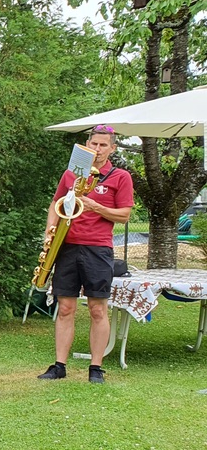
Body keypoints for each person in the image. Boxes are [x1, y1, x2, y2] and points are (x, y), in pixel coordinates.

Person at [38, 124, 134, 384]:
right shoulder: (72, 173)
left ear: (112, 148)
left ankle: (96, 368)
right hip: (67, 245)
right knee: (65, 307)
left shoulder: (120, 176)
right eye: (94, 144)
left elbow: (124, 215)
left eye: (103, 145)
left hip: (98, 248)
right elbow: (56, 203)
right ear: (87, 145)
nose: (98, 149)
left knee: (97, 309)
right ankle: (59, 365)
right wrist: (50, 229)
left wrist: (95, 206)